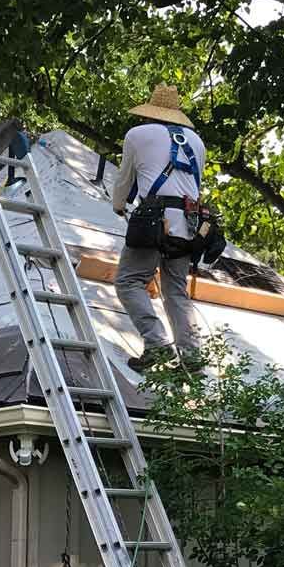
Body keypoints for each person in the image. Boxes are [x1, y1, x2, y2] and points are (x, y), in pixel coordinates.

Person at [107, 84, 209, 372]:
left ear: (150, 113)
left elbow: (124, 179)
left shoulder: (137, 135)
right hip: (190, 221)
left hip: (154, 216)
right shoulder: (196, 142)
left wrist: (118, 205)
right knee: (175, 289)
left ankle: (156, 344)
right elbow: (194, 186)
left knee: (128, 280)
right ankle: (191, 356)